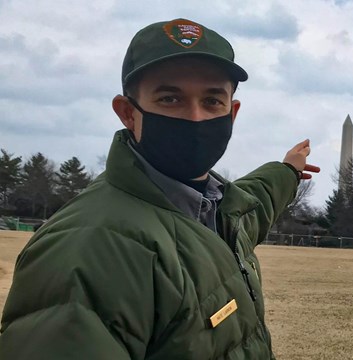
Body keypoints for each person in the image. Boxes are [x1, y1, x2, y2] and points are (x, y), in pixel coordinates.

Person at [0, 18, 319, 359]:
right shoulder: (85, 251)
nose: (195, 118)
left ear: (232, 112)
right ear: (128, 113)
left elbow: (258, 198)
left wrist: (287, 170)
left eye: (212, 101)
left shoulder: (216, 209)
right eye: (170, 99)